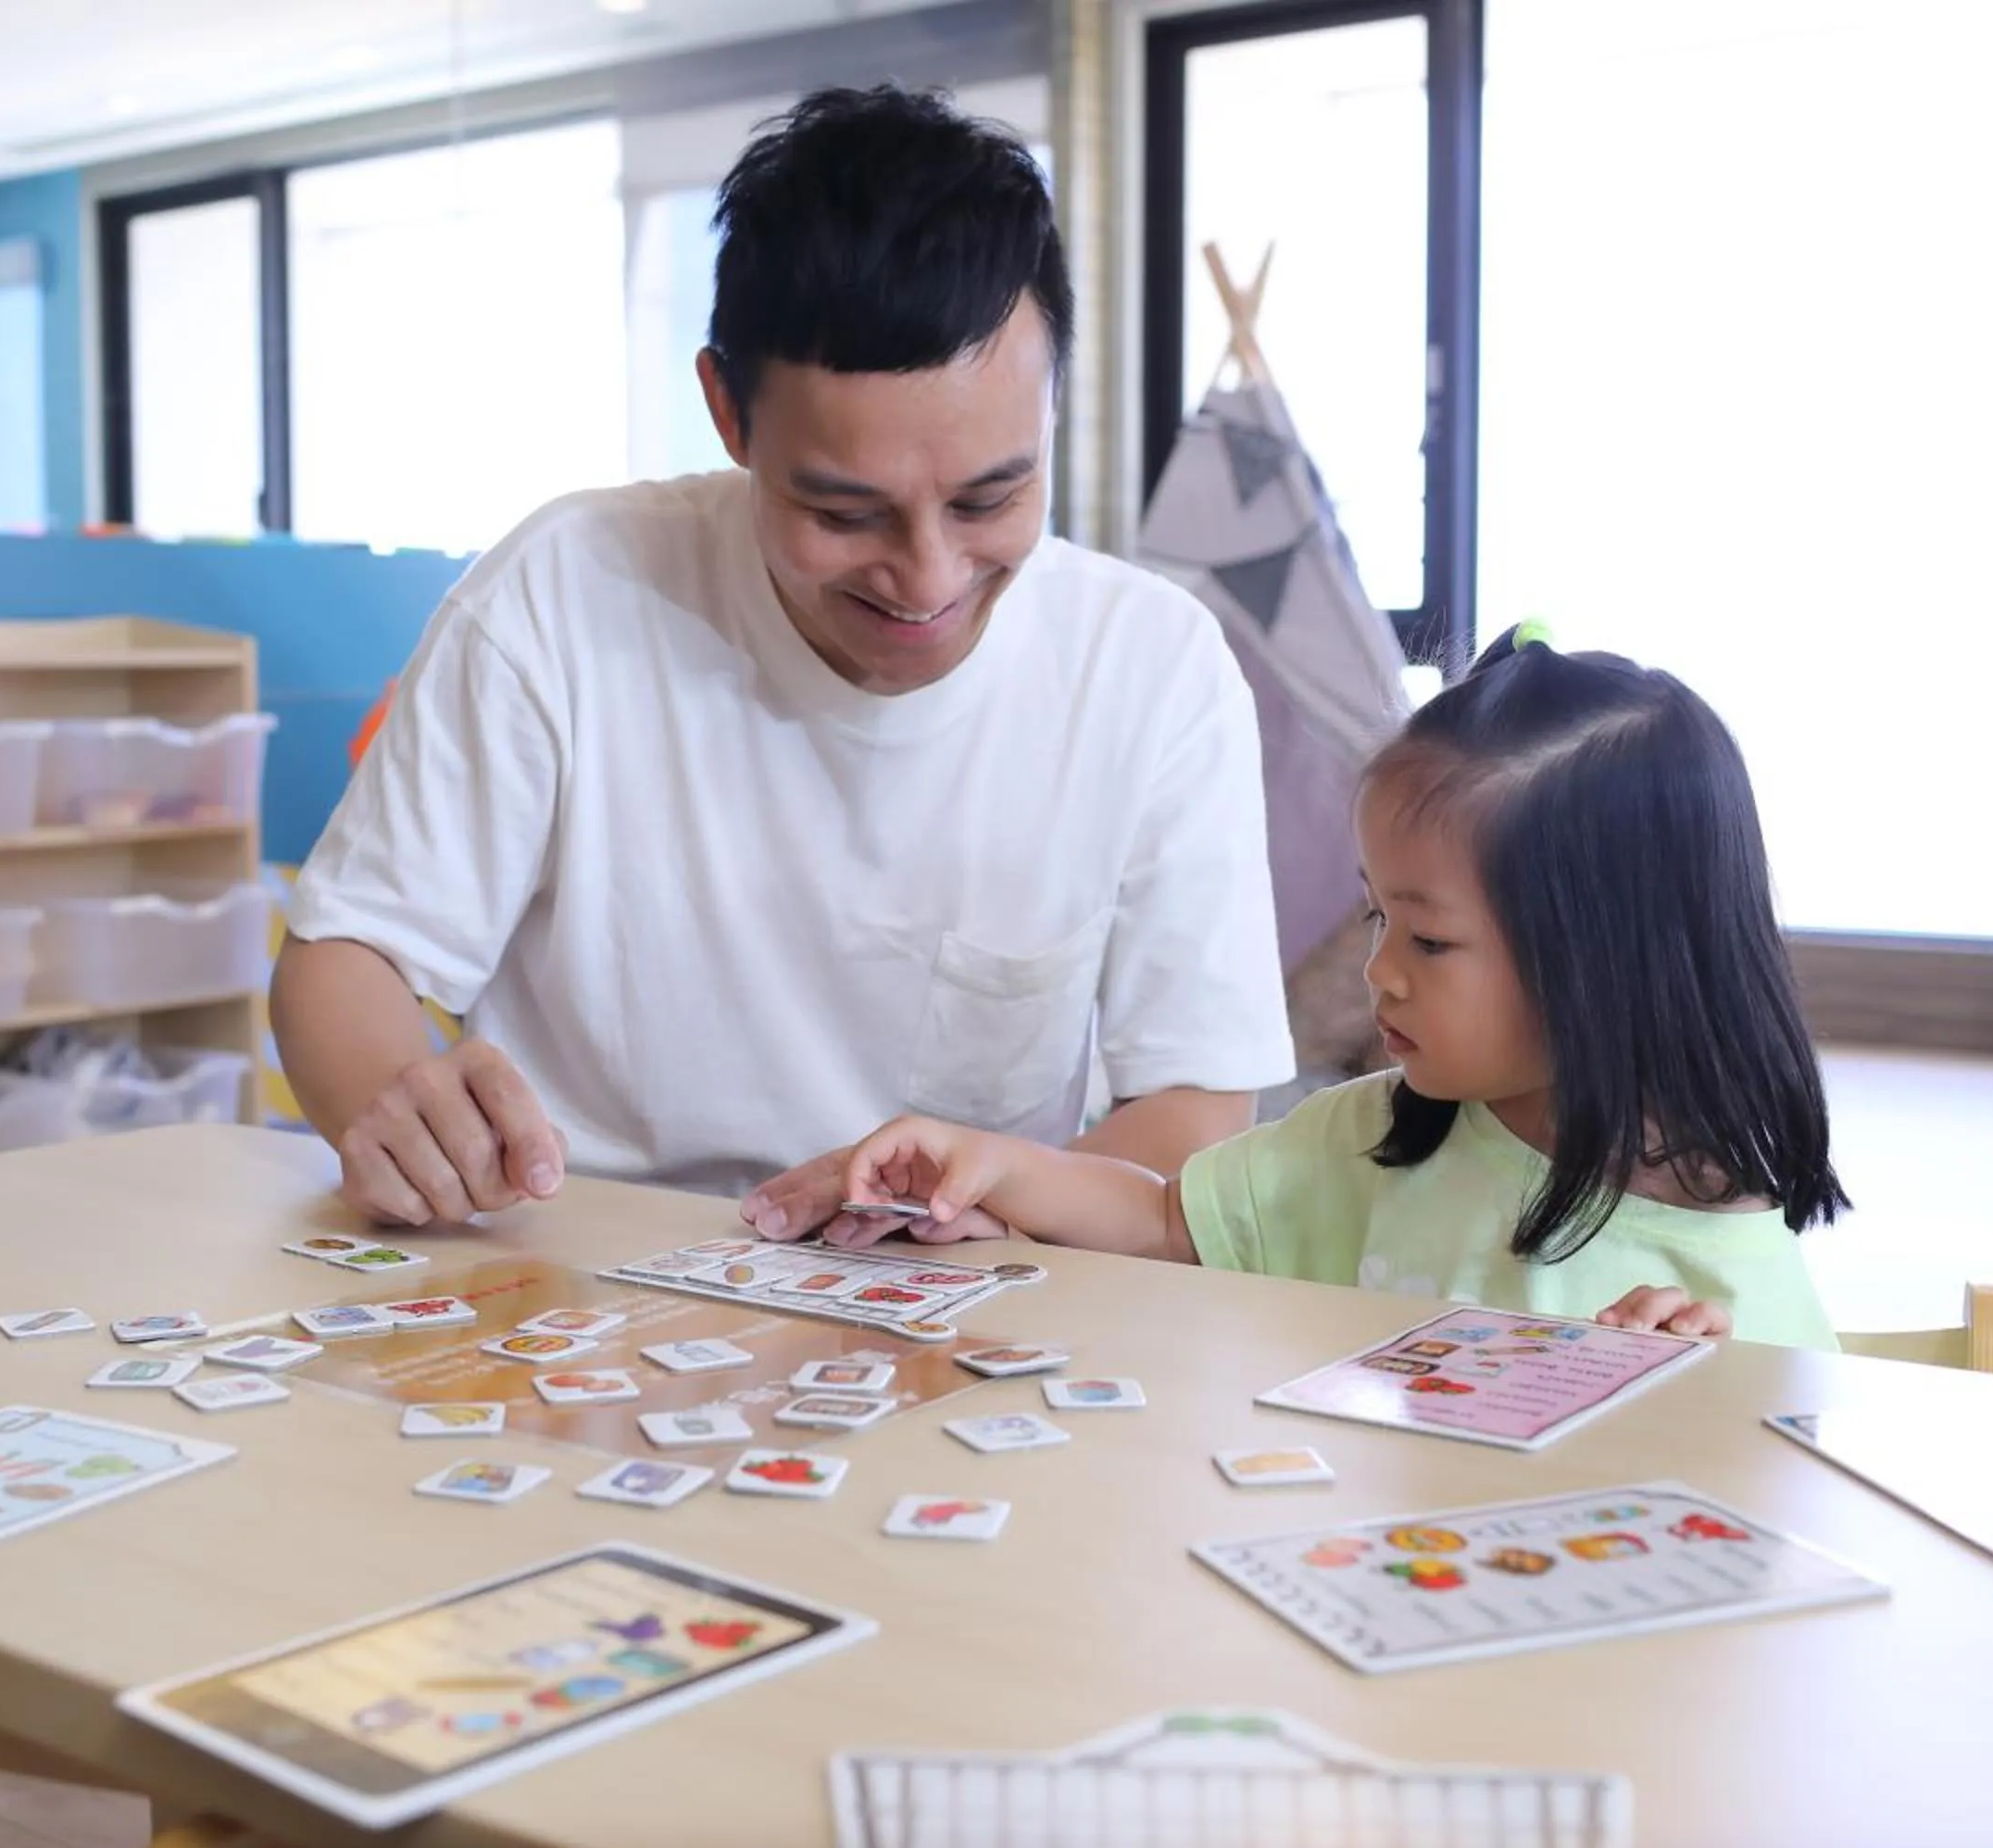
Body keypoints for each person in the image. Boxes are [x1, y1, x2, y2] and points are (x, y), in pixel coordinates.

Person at [273, 85, 1293, 1234]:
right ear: (727, 411)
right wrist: (402, 1106)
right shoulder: (561, 593)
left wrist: (993, 1217)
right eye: (846, 512)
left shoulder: (1151, 667)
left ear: (1052, 403)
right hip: (575, 1261)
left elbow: (1196, 1103)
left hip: (972, 1290)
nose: (927, 577)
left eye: (989, 499)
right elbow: (348, 953)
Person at [834, 626, 1850, 1347]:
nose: (1380, 971)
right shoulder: (1370, 1134)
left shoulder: (1723, 1261)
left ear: (1604, 960)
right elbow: (1163, 1223)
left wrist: (1689, 1396)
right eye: (1377, 919)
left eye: (1431, 941)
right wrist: (989, 1165)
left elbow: (1783, 1490)